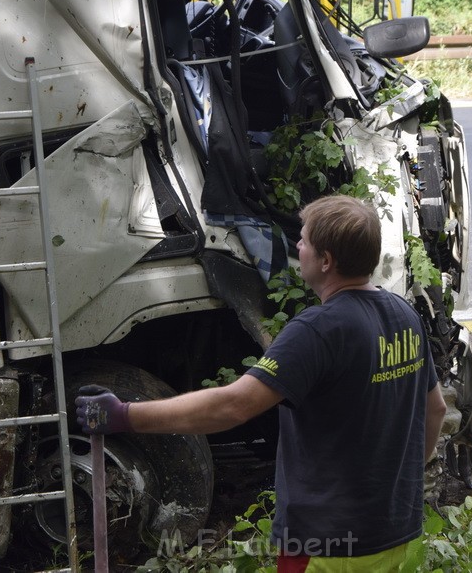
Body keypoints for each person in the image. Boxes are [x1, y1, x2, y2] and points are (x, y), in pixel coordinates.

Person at [76, 194, 447, 570]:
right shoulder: (403, 315)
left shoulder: (317, 331)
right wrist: (404, 487)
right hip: (397, 532)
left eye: (303, 240)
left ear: (326, 261)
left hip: (329, 545)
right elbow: (436, 409)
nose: (297, 246)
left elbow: (232, 405)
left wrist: (124, 415)